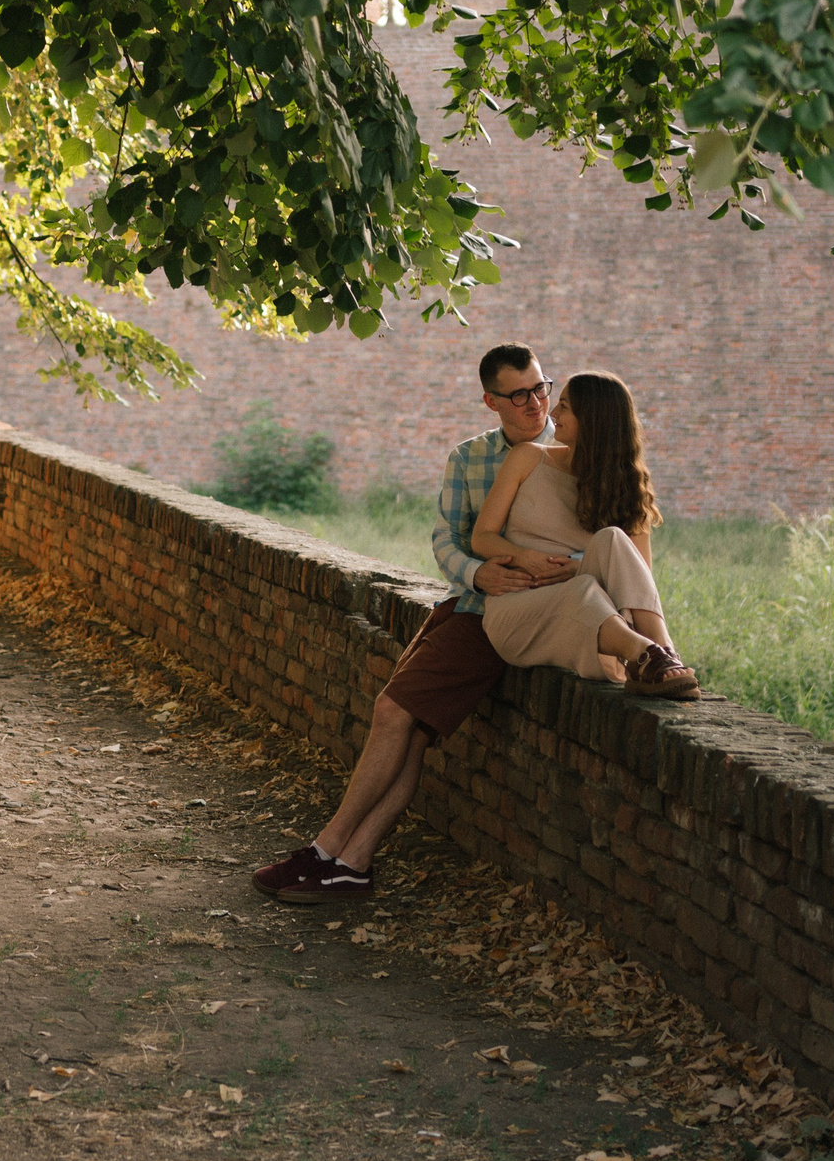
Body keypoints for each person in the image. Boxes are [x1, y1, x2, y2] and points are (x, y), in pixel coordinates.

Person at [250, 343, 571, 905]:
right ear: (491, 401)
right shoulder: (469, 458)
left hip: (505, 620)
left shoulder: (570, 457)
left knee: (392, 712)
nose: (535, 403)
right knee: (412, 734)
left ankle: (326, 851)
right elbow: (446, 541)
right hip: (466, 605)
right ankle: (352, 864)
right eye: (519, 394)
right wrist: (477, 574)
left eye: (541, 388)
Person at [472, 371, 697, 698]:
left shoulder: (628, 487)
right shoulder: (528, 457)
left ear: (593, 419)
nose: (553, 413)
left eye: (564, 406)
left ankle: (663, 651)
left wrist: (581, 567)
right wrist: (525, 558)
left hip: (594, 612)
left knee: (612, 539)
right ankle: (645, 655)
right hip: (519, 609)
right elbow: (482, 537)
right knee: (582, 589)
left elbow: (638, 578)